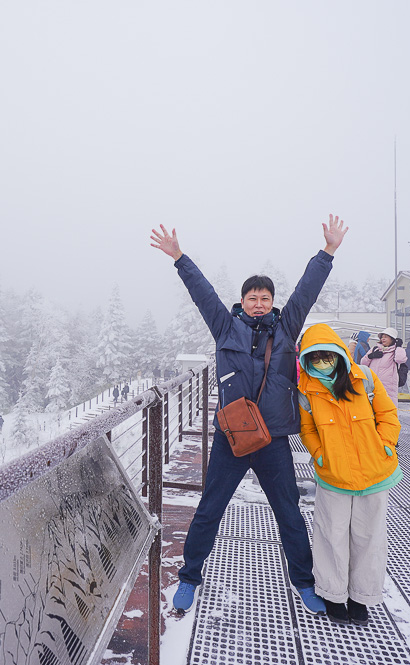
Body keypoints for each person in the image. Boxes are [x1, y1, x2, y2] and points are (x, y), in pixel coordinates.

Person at [150, 215, 348, 615]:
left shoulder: (287, 328)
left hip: (273, 440)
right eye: (252, 298)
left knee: (289, 513)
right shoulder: (225, 327)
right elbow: (202, 293)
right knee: (209, 509)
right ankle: (189, 577)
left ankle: (305, 583)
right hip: (233, 440)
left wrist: (327, 252)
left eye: (265, 298)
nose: (259, 304)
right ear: (242, 302)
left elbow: (307, 291)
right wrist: (179, 258)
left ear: (272, 302)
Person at [297, 324, 401, 625]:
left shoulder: (365, 378)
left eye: (327, 356)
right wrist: (319, 454)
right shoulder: (307, 392)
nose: (322, 362)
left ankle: (361, 596)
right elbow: (308, 430)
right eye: (314, 357)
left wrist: (386, 445)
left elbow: (388, 414)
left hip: (375, 473)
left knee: (369, 537)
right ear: (306, 359)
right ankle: (333, 593)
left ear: (340, 354)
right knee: (331, 535)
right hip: (334, 475)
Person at [360, 327, 408, 404]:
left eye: (386, 337)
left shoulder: (395, 351)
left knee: (388, 411)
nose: (383, 338)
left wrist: (399, 347)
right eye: (382, 336)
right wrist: (370, 356)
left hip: (388, 388)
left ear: (392, 339)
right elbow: (363, 363)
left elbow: (400, 359)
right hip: (373, 386)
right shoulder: (375, 349)